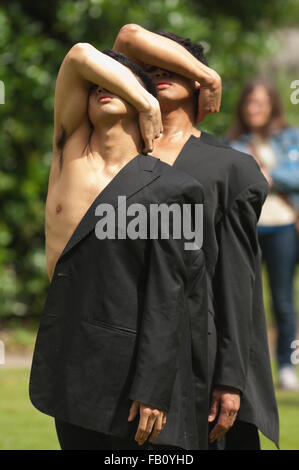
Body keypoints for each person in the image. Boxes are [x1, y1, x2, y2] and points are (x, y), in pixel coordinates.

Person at [29, 44, 209, 450]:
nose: (99, 90)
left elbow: (170, 297)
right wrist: (145, 100)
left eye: (116, 85)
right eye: (95, 87)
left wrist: (154, 386)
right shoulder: (68, 153)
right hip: (68, 359)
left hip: (132, 370)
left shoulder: (175, 189)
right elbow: (78, 55)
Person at [113, 24, 279, 450]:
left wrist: (231, 378)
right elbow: (127, 37)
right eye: (149, 69)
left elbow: (237, 282)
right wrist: (206, 74)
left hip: (196, 350)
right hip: (117, 344)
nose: (159, 72)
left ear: (196, 79)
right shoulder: (114, 153)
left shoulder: (229, 168)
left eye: (173, 66)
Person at [228, 78, 299, 391]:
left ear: (272, 106)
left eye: (259, 103)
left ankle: (286, 365)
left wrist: (269, 177)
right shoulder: (232, 142)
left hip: (283, 225)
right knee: (244, 299)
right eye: (249, 102)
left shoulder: (289, 137)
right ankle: (244, 368)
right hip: (247, 228)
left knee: (282, 299)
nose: (253, 108)